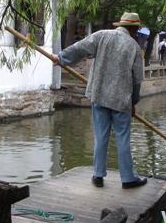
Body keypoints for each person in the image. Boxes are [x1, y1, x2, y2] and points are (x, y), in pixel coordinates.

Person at [52, 12, 147, 189]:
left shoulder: (102, 36)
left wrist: (61, 58)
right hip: (121, 99)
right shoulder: (134, 46)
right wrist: (133, 102)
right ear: (133, 28)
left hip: (99, 96)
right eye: (137, 29)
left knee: (101, 136)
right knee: (123, 138)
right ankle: (127, 178)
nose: (136, 32)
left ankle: (98, 175)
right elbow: (136, 80)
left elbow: (80, 48)